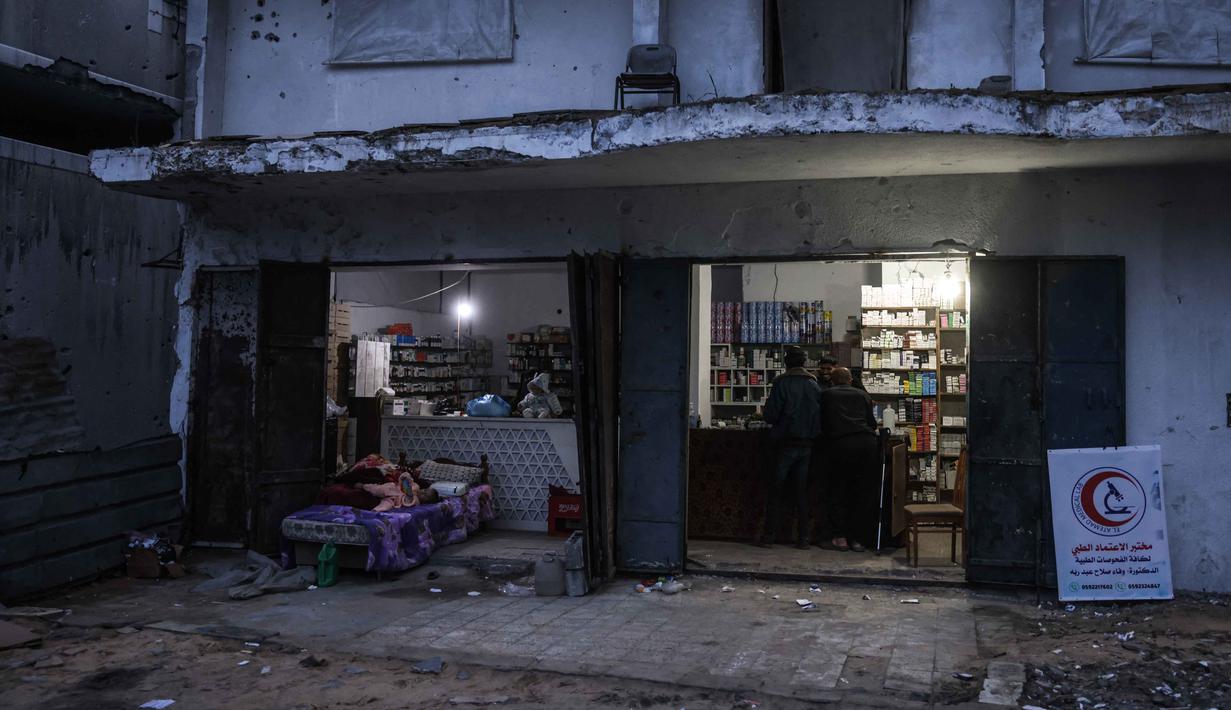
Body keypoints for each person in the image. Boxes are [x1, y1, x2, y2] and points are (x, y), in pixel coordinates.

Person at [759, 347, 824, 549]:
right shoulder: (813, 384)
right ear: (804, 362)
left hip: (784, 442)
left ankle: (769, 536)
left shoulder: (781, 383)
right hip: (807, 444)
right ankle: (803, 538)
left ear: (786, 363)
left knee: (776, 490)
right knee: (801, 492)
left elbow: (771, 415)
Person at [819, 367, 879, 552]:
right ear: (851, 380)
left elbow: (821, 421)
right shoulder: (862, 395)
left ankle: (840, 538)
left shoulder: (826, 395)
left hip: (839, 445)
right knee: (862, 492)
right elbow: (872, 423)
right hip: (866, 445)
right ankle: (859, 540)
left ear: (832, 380)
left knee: (838, 491)